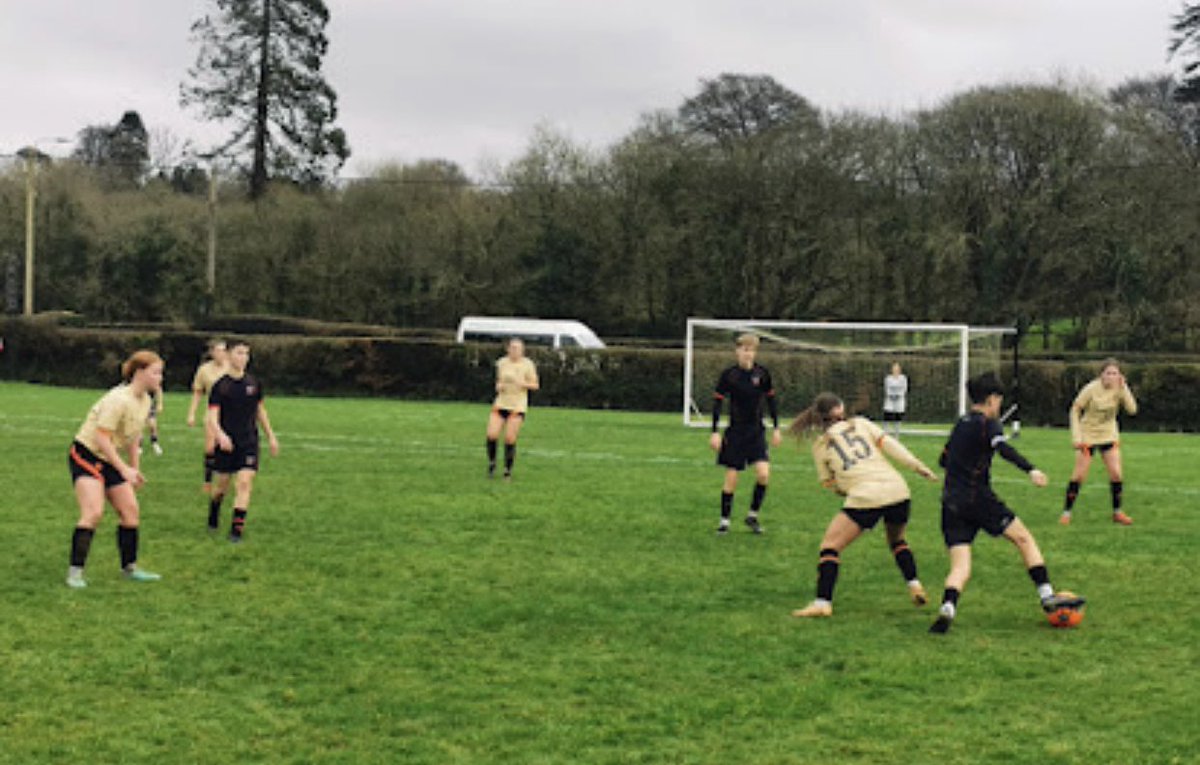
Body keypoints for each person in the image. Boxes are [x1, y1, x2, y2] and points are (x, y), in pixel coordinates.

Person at [930, 373, 1084, 634]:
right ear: (992, 399)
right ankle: (1047, 597)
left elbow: (944, 461)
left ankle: (948, 606)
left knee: (961, 565)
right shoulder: (988, 424)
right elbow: (1003, 449)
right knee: (1023, 539)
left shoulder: (961, 424)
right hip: (978, 498)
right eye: (999, 400)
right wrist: (1031, 470)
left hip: (951, 502)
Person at [790, 393, 937, 617]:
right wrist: (919, 467)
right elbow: (892, 446)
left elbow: (828, 482)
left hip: (865, 497)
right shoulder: (861, 423)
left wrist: (846, 488)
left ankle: (822, 603)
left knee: (830, 546)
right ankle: (914, 585)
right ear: (841, 409)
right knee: (897, 540)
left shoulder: (821, 445)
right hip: (898, 490)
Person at [65, 350, 165, 588]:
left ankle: (129, 568)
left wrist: (134, 470)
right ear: (140, 372)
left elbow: (133, 437)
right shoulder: (118, 399)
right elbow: (101, 437)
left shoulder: (145, 400)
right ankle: (75, 572)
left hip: (110, 459)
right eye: (156, 372)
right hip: (86, 454)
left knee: (130, 512)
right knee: (93, 513)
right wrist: (123, 468)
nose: (160, 377)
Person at [206, 341, 279, 542]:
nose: (244, 357)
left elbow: (260, 411)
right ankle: (214, 509)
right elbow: (212, 416)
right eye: (239, 353)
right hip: (227, 443)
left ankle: (236, 531)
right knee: (221, 487)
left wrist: (271, 435)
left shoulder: (253, 384)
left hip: (249, 441)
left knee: (244, 483)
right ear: (229, 356)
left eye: (246, 353)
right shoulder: (221, 387)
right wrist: (220, 435)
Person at [710, 333, 782, 535]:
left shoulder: (762, 374)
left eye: (751, 350)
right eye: (744, 349)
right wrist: (714, 432)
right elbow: (717, 403)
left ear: (755, 352)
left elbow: (771, 402)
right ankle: (724, 521)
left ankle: (752, 516)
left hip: (756, 432)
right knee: (732, 478)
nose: (747, 354)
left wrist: (776, 428)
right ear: (737, 351)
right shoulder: (729, 375)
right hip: (735, 432)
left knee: (763, 474)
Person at [1061, 358, 1138, 526]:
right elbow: (1075, 409)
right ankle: (1066, 512)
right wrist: (1076, 436)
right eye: (1108, 373)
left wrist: (1125, 388)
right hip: (1088, 434)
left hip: (1109, 434)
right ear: (1101, 375)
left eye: (1115, 373)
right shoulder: (1091, 389)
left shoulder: (1120, 388)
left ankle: (1117, 513)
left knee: (1116, 474)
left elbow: (1132, 410)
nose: (1112, 377)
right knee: (1079, 475)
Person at [486, 338, 539, 481]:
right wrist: (499, 386)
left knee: (509, 438)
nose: (515, 351)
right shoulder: (502, 363)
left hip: (517, 405)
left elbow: (535, 385)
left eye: (518, 348)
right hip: (501, 403)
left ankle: (507, 471)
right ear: (507, 349)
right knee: (492, 434)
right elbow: (499, 380)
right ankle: (492, 463)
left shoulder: (528, 365)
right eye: (513, 348)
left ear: (522, 350)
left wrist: (523, 383)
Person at [187, 338, 229, 496]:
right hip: (212, 413)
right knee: (210, 448)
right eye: (219, 350)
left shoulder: (232, 368)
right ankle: (207, 481)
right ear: (212, 353)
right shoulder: (204, 370)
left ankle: (225, 479)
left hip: (230, 413)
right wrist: (192, 413)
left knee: (227, 448)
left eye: (224, 350)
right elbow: (198, 393)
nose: (222, 354)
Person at [882, 362, 908, 438]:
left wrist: (899, 395)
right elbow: (887, 388)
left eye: (897, 369)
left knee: (897, 418)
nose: (895, 370)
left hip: (899, 400)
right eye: (894, 368)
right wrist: (891, 395)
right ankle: (885, 434)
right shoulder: (888, 378)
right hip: (890, 400)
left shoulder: (903, 378)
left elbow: (904, 388)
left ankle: (896, 435)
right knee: (887, 416)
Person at [146, 386, 165, 455]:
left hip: (149, 403)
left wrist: (160, 403)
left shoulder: (152, 378)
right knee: (138, 425)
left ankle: (154, 443)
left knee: (152, 425)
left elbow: (158, 389)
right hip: (137, 402)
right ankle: (138, 445)